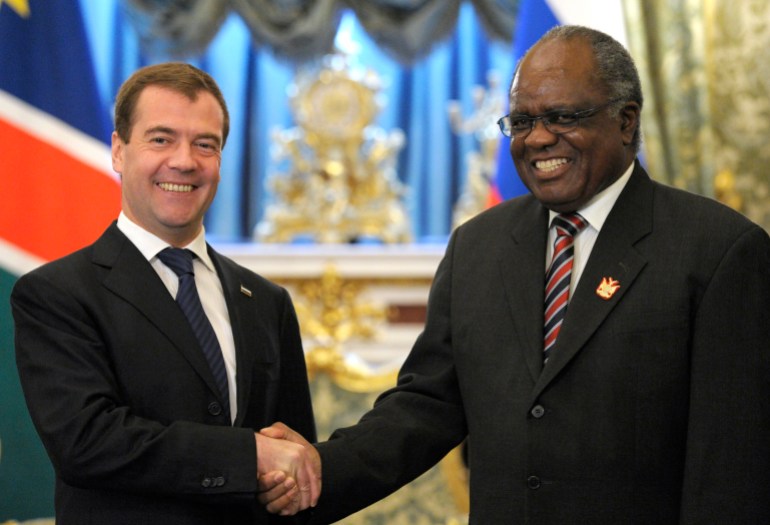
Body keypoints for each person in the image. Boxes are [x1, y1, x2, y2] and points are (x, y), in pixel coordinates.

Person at [258, 25, 770, 523]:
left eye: (563, 116)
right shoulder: (476, 247)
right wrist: (324, 468)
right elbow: (426, 405)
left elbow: (730, 463)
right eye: (521, 122)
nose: (538, 139)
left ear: (626, 121)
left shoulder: (718, 250)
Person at [12, 62, 320, 524]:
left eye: (205, 144)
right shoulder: (56, 294)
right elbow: (88, 444)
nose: (184, 160)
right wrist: (248, 457)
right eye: (161, 139)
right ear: (118, 150)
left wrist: (289, 484)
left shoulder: (266, 301)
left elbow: (294, 451)